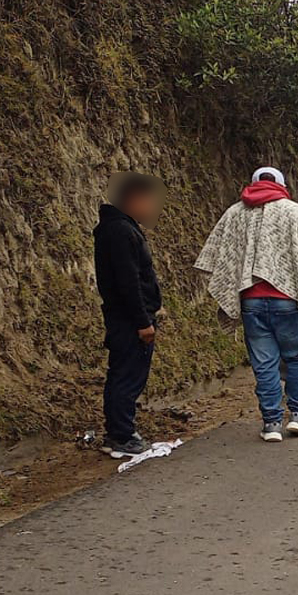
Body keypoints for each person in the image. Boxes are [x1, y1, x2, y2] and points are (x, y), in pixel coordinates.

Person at [195, 167, 298, 442]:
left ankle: (271, 423)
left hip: (250, 301)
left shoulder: (234, 214)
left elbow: (217, 256)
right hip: (289, 301)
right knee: (296, 357)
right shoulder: (297, 213)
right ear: (282, 185)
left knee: (264, 364)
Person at [94, 172, 164, 457]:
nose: (151, 207)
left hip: (125, 316)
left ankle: (120, 431)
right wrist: (142, 321)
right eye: (147, 200)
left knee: (123, 374)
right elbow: (128, 281)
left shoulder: (119, 228)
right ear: (133, 199)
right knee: (127, 376)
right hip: (128, 319)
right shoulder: (120, 231)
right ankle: (121, 435)